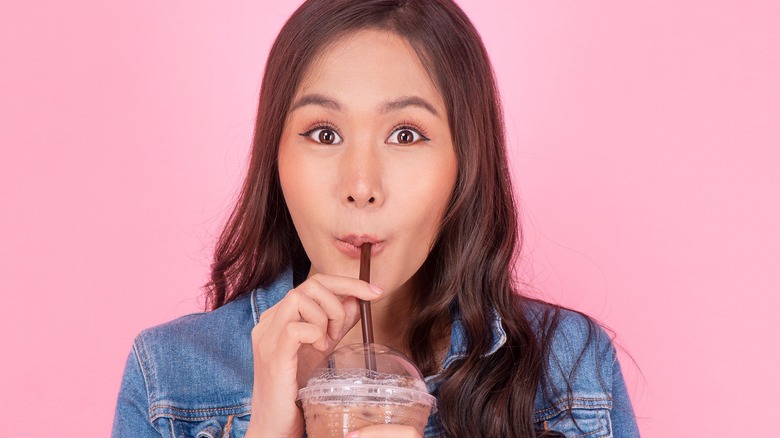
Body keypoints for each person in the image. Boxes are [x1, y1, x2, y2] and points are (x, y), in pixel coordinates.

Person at [112, 0, 639, 436]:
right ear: (276, 158)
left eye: (406, 135)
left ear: (465, 163)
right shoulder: (170, 381)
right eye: (324, 134)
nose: (361, 187)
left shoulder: (571, 368)